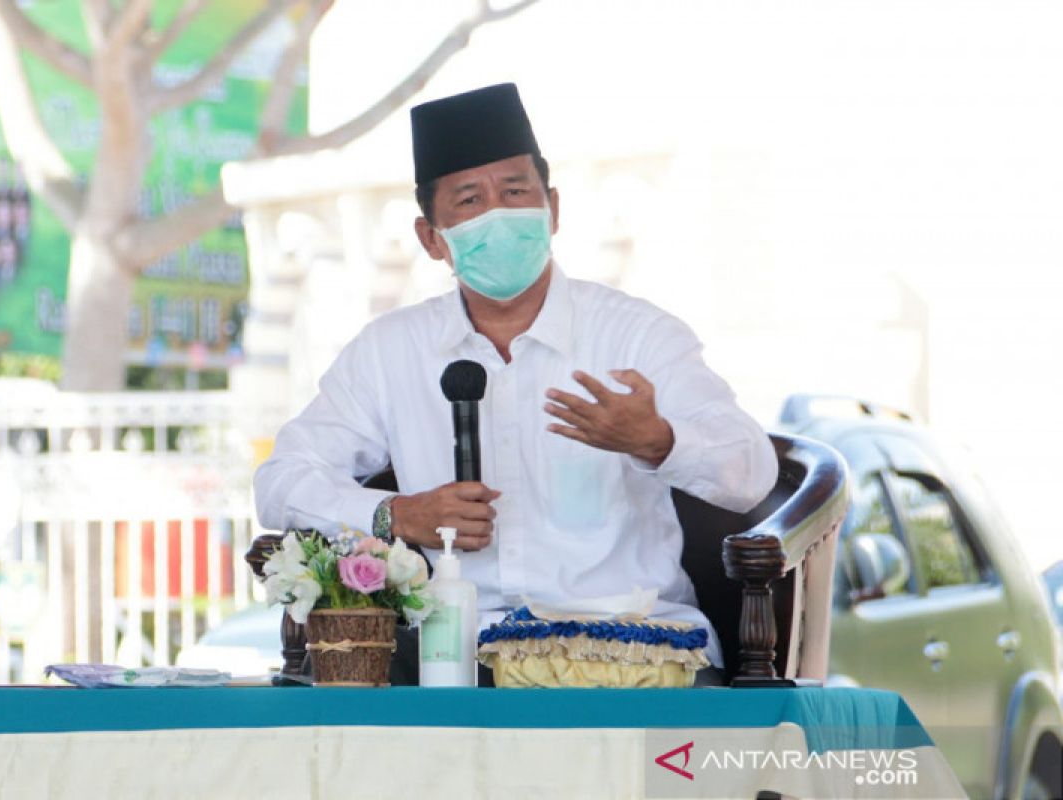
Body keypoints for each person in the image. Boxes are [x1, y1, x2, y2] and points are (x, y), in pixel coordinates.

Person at [254, 83, 778, 684]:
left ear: (552, 208)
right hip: (459, 656)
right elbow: (279, 482)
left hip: (636, 649)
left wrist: (657, 441)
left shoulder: (639, 336)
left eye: (515, 192)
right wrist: (395, 514)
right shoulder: (389, 351)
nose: (497, 215)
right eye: (471, 200)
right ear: (431, 238)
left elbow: (753, 472)